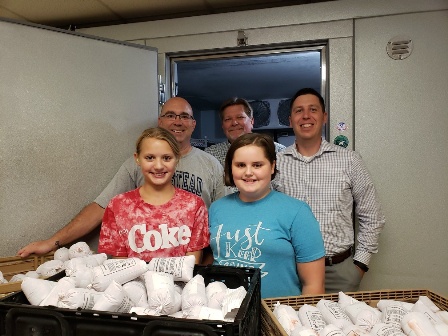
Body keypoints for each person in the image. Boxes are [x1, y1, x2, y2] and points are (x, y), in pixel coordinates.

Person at [18, 97, 225, 258]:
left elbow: (220, 221)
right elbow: (101, 208)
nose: (177, 121)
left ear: (193, 123)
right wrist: (53, 242)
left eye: (184, 116)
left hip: (192, 263)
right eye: (170, 115)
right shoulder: (133, 170)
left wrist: (208, 264)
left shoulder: (211, 167)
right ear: (160, 121)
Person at [272, 88, 386, 293]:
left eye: (313, 109)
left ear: (324, 117)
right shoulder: (275, 164)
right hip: (290, 272)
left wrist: (359, 266)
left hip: (339, 273)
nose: (306, 116)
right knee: (288, 325)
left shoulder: (349, 160)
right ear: (290, 120)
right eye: (299, 111)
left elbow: (372, 216)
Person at [208, 133, 325, 298]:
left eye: (257, 165)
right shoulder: (217, 208)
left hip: (276, 315)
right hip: (224, 315)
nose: (248, 172)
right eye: (241, 165)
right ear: (231, 168)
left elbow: (313, 285)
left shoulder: (297, 212)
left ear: (272, 166)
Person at [98, 127, 209, 263]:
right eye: (150, 158)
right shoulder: (118, 206)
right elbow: (120, 267)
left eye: (166, 158)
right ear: (137, 159)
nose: (158, 166)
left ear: (177, 159)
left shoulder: (194, 206)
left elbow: (192, 265)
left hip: (180, 284)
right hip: (132, 284)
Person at [205, 97, 285, 167]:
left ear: (251, 121)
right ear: (222, 125)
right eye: (228, 119)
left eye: (240, 117)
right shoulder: (210, 155)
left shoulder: (277, 151)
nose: (234, 123)